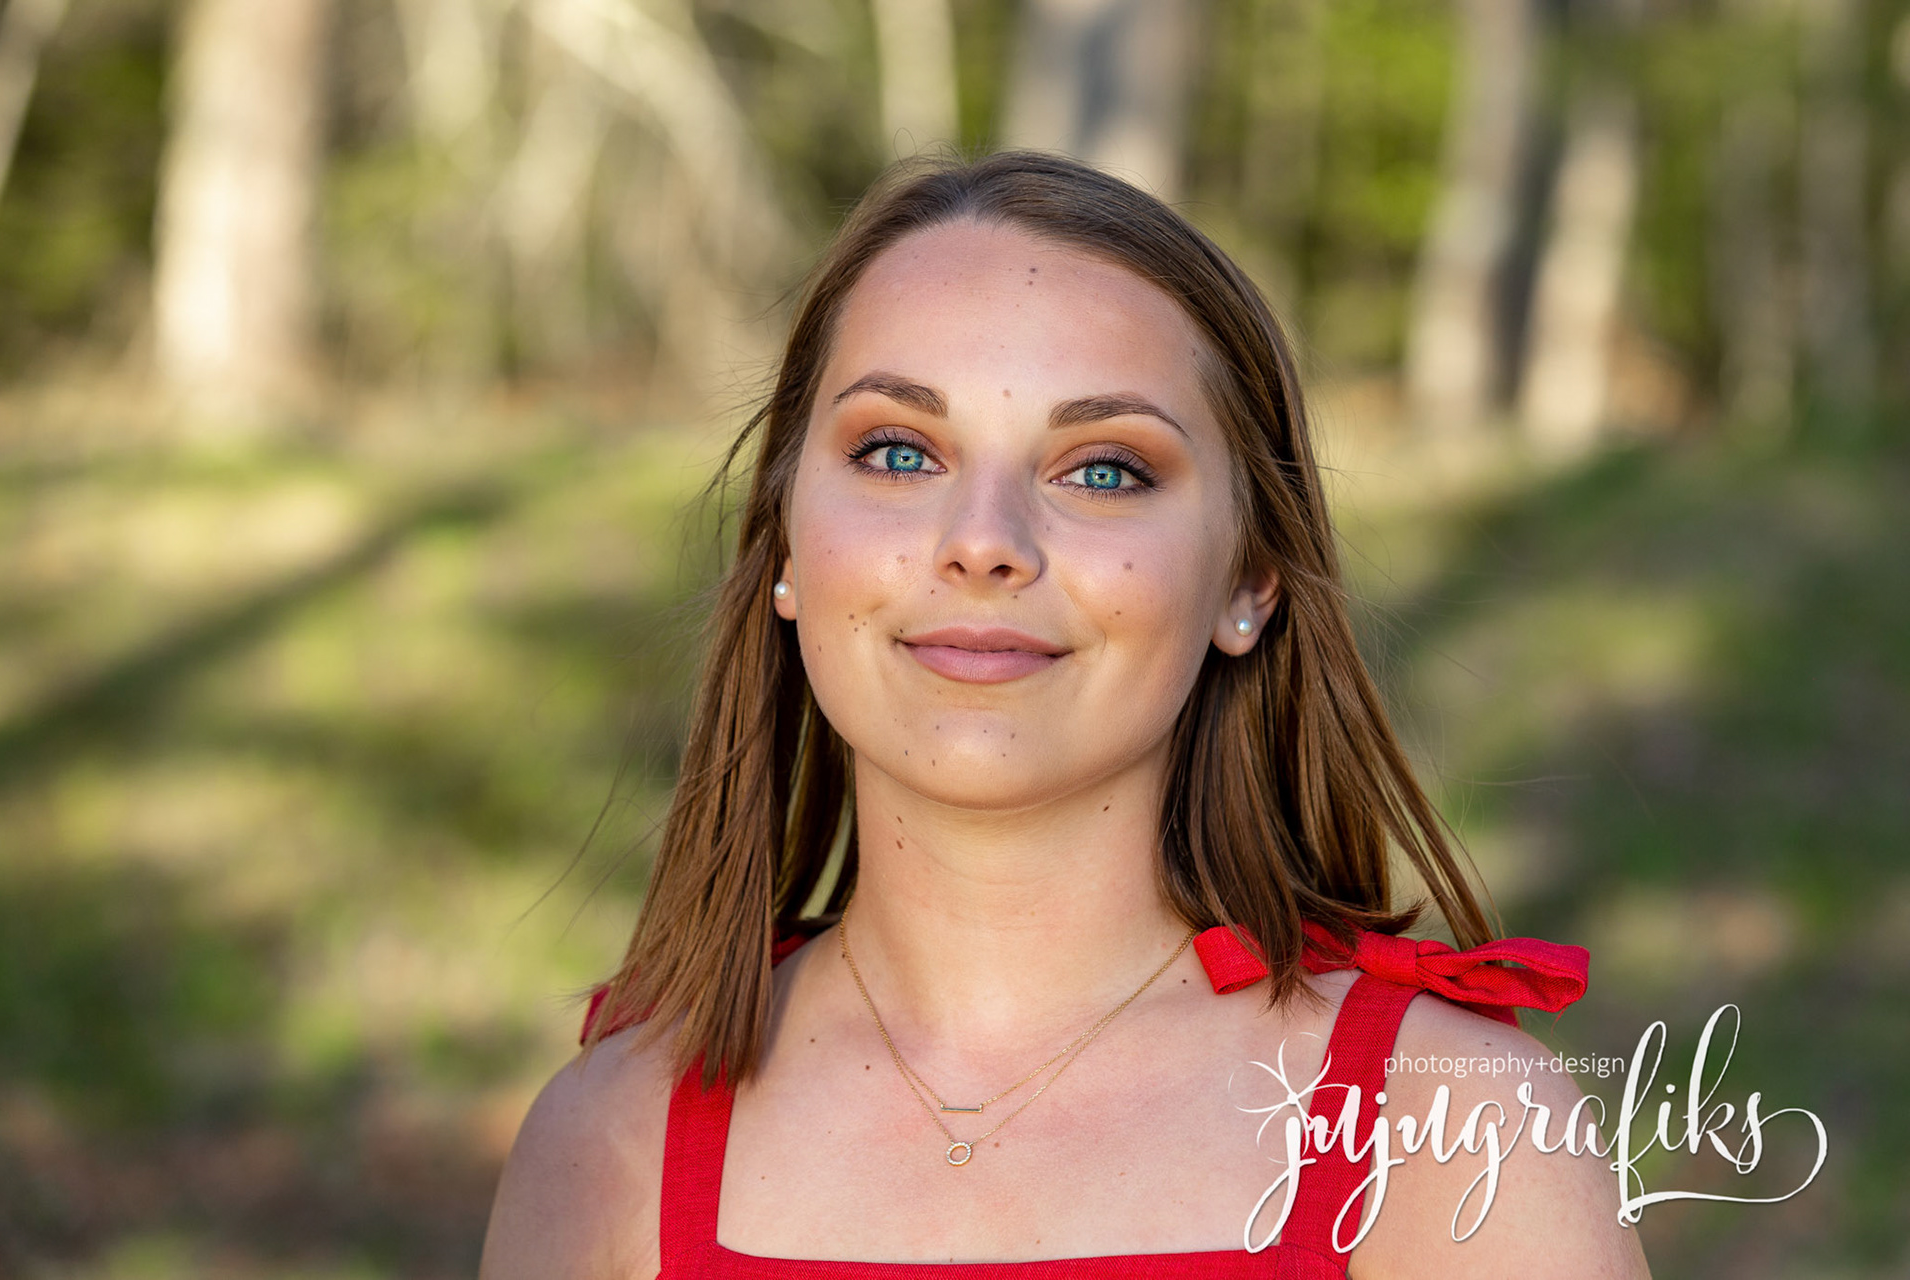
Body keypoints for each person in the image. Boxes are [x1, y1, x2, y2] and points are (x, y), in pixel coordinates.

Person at [479, 151, 1651, 1279]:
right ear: (787, 540)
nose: (983, 541)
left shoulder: (1453, 1136)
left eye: (1102, 469)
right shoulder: (606, 1146)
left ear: (1249, 579)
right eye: (898, 451)